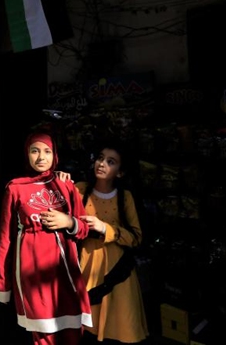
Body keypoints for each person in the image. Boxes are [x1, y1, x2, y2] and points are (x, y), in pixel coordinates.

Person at [0, 132, 93, 345]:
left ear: (55, 155)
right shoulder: (15, 189)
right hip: (33, 275)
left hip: (66, 274)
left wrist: (68, 222)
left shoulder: (66, 186)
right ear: (26, 155)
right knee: (44, 337)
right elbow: (5, 239)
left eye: (47, 151)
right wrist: (3, 284)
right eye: (35, 151)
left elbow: (84, 228)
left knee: (73, 333)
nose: (41, 157)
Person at [74, 143, 148, 344]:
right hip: (87, 267)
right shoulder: (79, 190)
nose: (102, 164)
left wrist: (105, 228)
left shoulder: (125, 198)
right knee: (87, 330)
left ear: (121, 172)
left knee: (120, 328)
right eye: (100, 158)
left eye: (111, 161)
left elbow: (136, 237)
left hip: (119, 272)